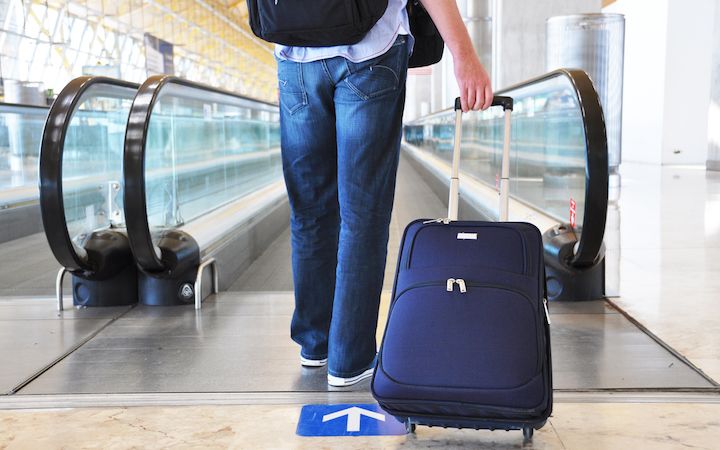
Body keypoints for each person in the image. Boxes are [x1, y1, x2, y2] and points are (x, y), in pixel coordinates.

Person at [275, 0, 494, 387]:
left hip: (296, 56)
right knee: (362, 216)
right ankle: (350, 359)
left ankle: (315, 344)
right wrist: (464, 54)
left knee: (309, 213)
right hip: (369, 52)